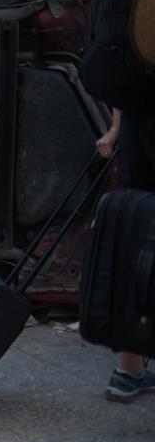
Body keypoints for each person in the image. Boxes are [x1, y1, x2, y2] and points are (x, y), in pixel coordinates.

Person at [95, 107, 154, 402]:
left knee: (139, 248)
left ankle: (128, 370)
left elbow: (122, 68)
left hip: (136, 126)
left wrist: (117, 126)